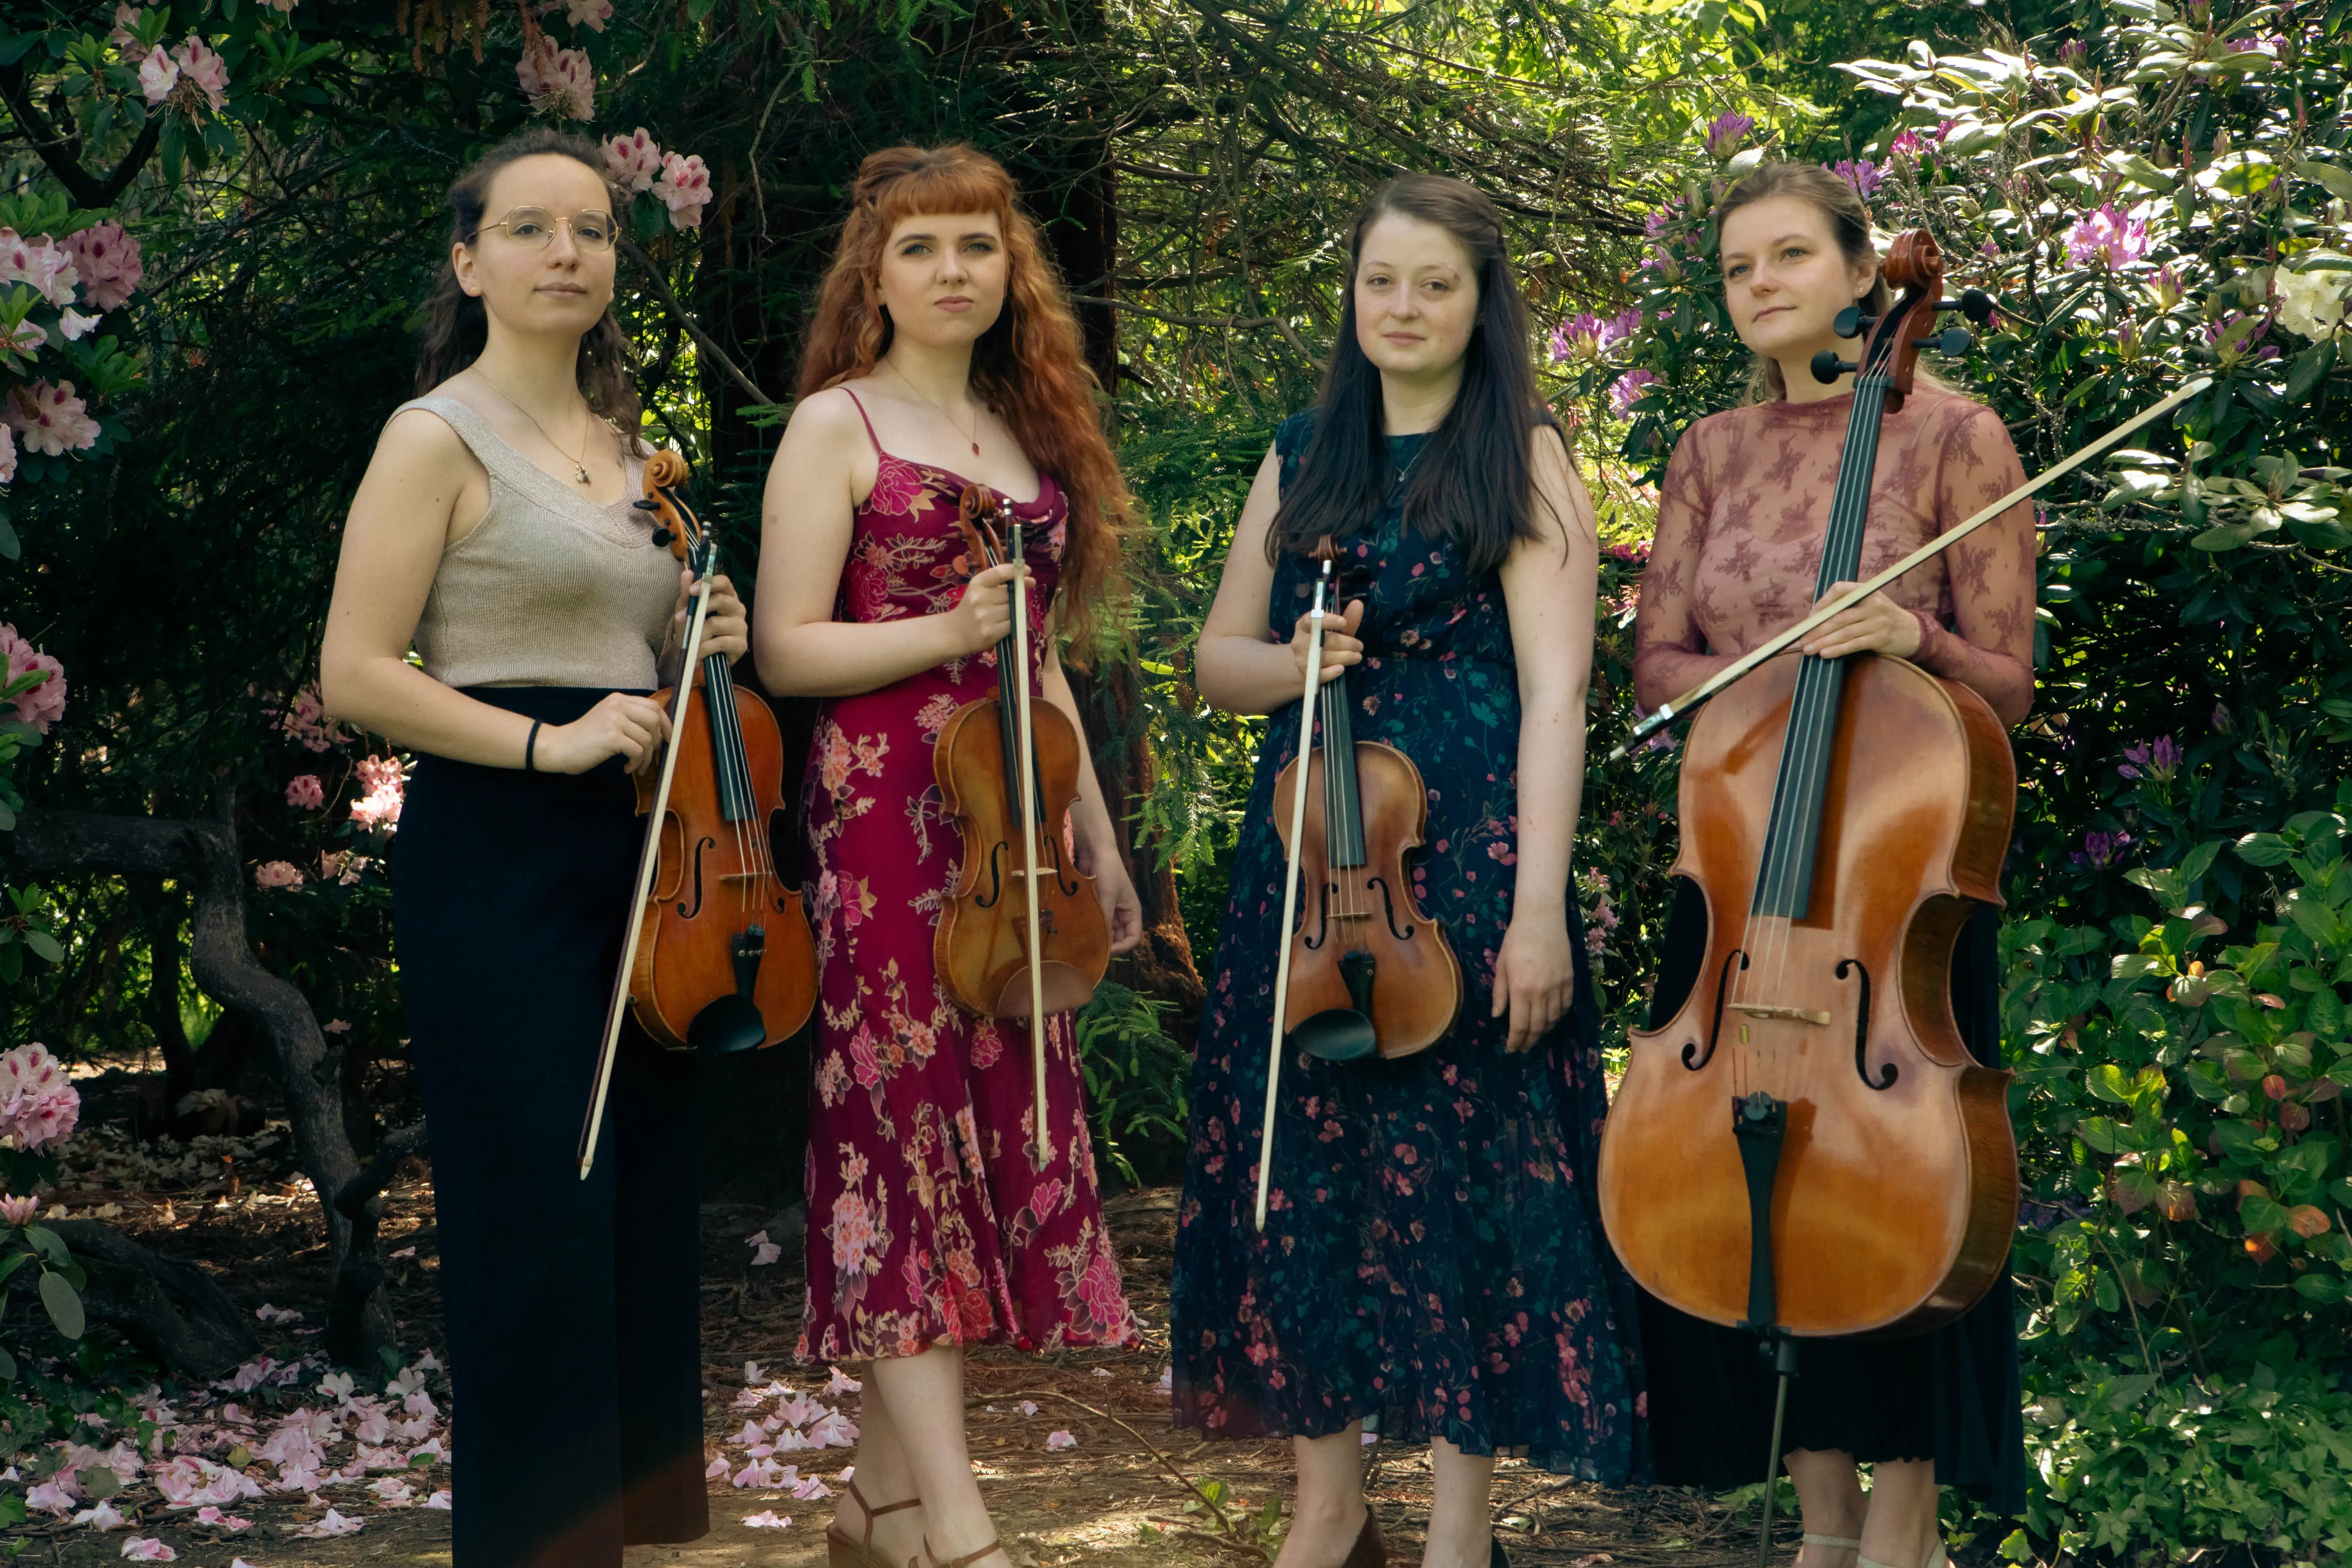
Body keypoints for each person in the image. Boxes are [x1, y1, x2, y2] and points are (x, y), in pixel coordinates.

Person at [1169, 174, 1645, 1568]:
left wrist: (1541, 913)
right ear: (1353, 294)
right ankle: (1328, 1507)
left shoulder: (1523, 458)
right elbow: (1217, 661)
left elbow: (1558, 698)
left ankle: (1458, 1530)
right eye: (1382, 279)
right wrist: (1291, 664)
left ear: (1481, 303)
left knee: (1456, 1180)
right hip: (1312, 873)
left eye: (1436, 283)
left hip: (1467, 873)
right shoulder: (1302, 452)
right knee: (1302, 1181)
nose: (1404, 306)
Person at [318, 129, 738, 1564]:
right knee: (535, 1212)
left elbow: (631, 658)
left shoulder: (632, 453)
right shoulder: (433, 437)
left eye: (593, 230)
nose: (568, 252)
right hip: (500, 845)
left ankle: (616, 1535)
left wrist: (701, 641)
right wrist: (546, 746)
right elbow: (356, 674)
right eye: (530, 228)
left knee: (634, 1203)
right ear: (468, 262)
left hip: (644, 852)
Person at [1629, 159, 2034, 1568]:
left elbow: (2012, 680)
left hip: (1893, 873)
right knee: (1749, 1187)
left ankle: (1904, 1526)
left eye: (1790, 256)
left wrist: (1911, 637)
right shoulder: (1710, 449)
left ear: (1867, 276)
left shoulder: (1955, 436)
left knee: (1902, 1186)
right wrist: (1761, 665)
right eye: (1738, 268)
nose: (1760, 285)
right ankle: (1821, 1524)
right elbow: (1657, 663)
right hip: (1746, 856)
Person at [752, 144, 1144, 1568]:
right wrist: (942, 632)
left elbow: (1040, 662)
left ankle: (878, 1505)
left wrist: (1099, 839)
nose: (953, 271)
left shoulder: (1020, 426)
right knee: (899, 1124)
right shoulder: (836, 425)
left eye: (977, 245)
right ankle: (962, 1526)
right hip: (883, 819)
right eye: (920, 249)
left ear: (1009, 268)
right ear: (876, 275)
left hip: (1013, 826)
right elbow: (789, 648)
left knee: (991, 1118)